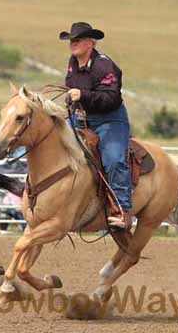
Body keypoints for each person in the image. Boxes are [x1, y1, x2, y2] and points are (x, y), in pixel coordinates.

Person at [61, 22, 133, 229]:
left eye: (77, 40)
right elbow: (70, 84)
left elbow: (112, 98)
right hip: (81, 117)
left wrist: (82, 95)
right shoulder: (73, 62)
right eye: (71, 41)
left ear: (90, 42)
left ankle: (123, 211)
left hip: (110, 119)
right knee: (56, 141)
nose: (72, 44)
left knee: (113, 160)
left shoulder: (104, 66)